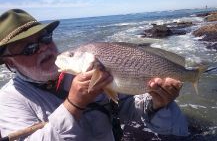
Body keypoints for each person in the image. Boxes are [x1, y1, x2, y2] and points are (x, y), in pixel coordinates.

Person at [0, 9, 188, 141]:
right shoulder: (8, 101)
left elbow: (127, 107)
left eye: (45, 38)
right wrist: (73, 105)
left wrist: (156, 104)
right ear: (10, 63)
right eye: (29, 48)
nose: (43, 48)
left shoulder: (80, 67)